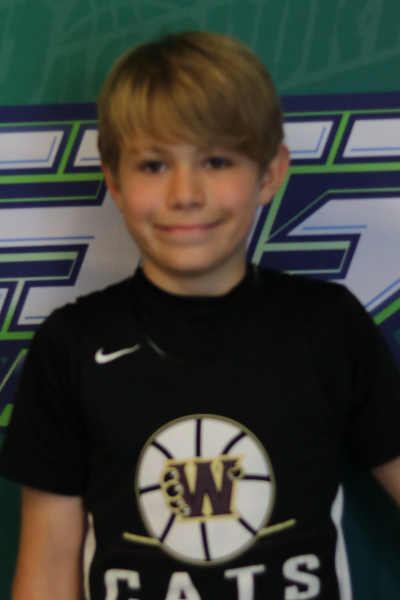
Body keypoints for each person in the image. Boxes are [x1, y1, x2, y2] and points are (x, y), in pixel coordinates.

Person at [1, 30, 400, 600]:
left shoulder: (326, 326)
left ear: (269, 174)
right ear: (114, 180)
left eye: (215, 161)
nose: (185, 194)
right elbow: (46, 570)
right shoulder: (72, 345)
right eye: (153, 165)